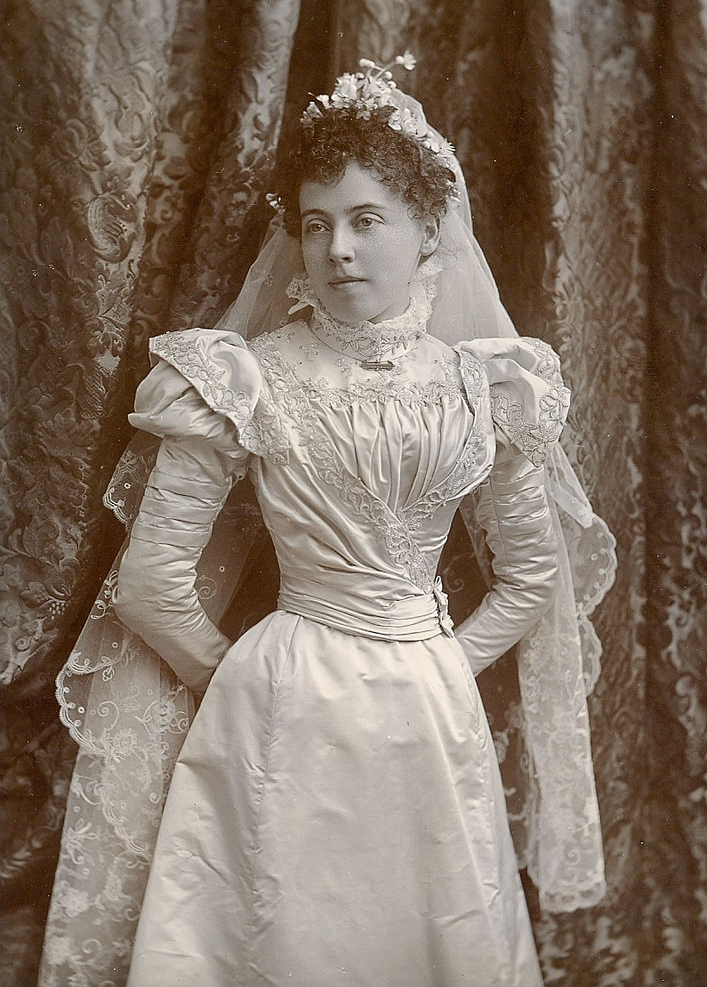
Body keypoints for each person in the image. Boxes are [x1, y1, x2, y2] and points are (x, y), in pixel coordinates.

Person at [39, 56, 615, 987]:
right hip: (285, 701)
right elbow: (151, 586)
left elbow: (532, 576)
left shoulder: (488, 386)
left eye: (364, 220)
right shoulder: (240, 374)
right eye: (316, 225)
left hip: (423, 705)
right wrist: (248, 676)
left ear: (428, 232)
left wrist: (432, 659)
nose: (337, 248)